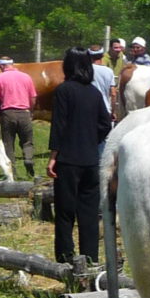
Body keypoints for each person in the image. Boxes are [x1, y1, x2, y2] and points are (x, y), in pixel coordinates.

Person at [49, 47, 112, 264]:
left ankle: (65, 257)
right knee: (89, 213)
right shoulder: (94, 93)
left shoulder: (63, 91)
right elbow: (105, 124)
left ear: (68, 65)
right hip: (90, 159)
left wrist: (53, 156)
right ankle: (91, 257)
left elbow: (59, 126)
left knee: (65, 213)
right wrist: (90, 140)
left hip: (67, 159)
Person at [0, 55, 40, 178]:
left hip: (8, 113)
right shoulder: (26, 77)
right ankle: (28, 161)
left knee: (8, 143)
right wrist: (31, 111)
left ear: (2, 66)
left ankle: (11, 171)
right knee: (27, 142)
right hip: (24, 112)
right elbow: (33, 97)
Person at [88, 43, 115, 108]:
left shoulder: (85, 70)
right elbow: (113, 93)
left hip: (88, 108)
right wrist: (113, 111)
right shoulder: (109, 71)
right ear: (102, 55)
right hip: (105, 108)